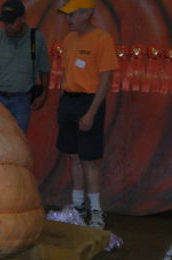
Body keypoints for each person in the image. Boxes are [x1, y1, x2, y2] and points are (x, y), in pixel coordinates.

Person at [57, 0, 119, 229]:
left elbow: (105, 80)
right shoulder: (69, 40)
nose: (68, 19)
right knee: (72, 156)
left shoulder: (103, 39)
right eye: (66, 15)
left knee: (89, 160)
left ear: (87, 14)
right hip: (68, 101)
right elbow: (67, 73)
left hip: (88, 102)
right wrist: (64, 102)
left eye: (71, 15)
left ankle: (96, 211)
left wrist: (91, 112)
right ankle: (77, 206)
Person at [0, 0, 50, 133]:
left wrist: (44, 94)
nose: (7, 26)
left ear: (22, 19)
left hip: (21, 101)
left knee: (19, 141)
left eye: (11, 22)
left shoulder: (36, 39)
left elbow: (44, 69)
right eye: (5, 22)